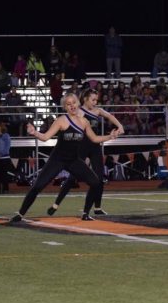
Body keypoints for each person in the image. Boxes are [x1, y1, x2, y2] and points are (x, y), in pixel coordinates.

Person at [10, 93, 119, 223]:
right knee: (37, 186)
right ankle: (21, 213)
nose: (72, 106)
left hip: (73, 160)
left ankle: (85, 213)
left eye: (74, 103)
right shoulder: (62, 120)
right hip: (57, 159)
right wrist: (35, 133)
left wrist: (109, 137)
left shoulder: (84, 122)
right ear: (65, 107)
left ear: (78, 103)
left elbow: (94, 138)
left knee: (96, 182)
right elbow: (45, 137)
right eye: (68, 104)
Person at [46, 88, 125, 216]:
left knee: (99, 178)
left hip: (95, 146)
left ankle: (97, 207)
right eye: (93, 100)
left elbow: (110, 116)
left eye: (96, 100)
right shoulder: (79, 112)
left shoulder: (97, 111)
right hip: (82, 147)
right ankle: (56, 204)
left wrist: (120, 126)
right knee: (72, 178)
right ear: (85, 99)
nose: (95, 102)